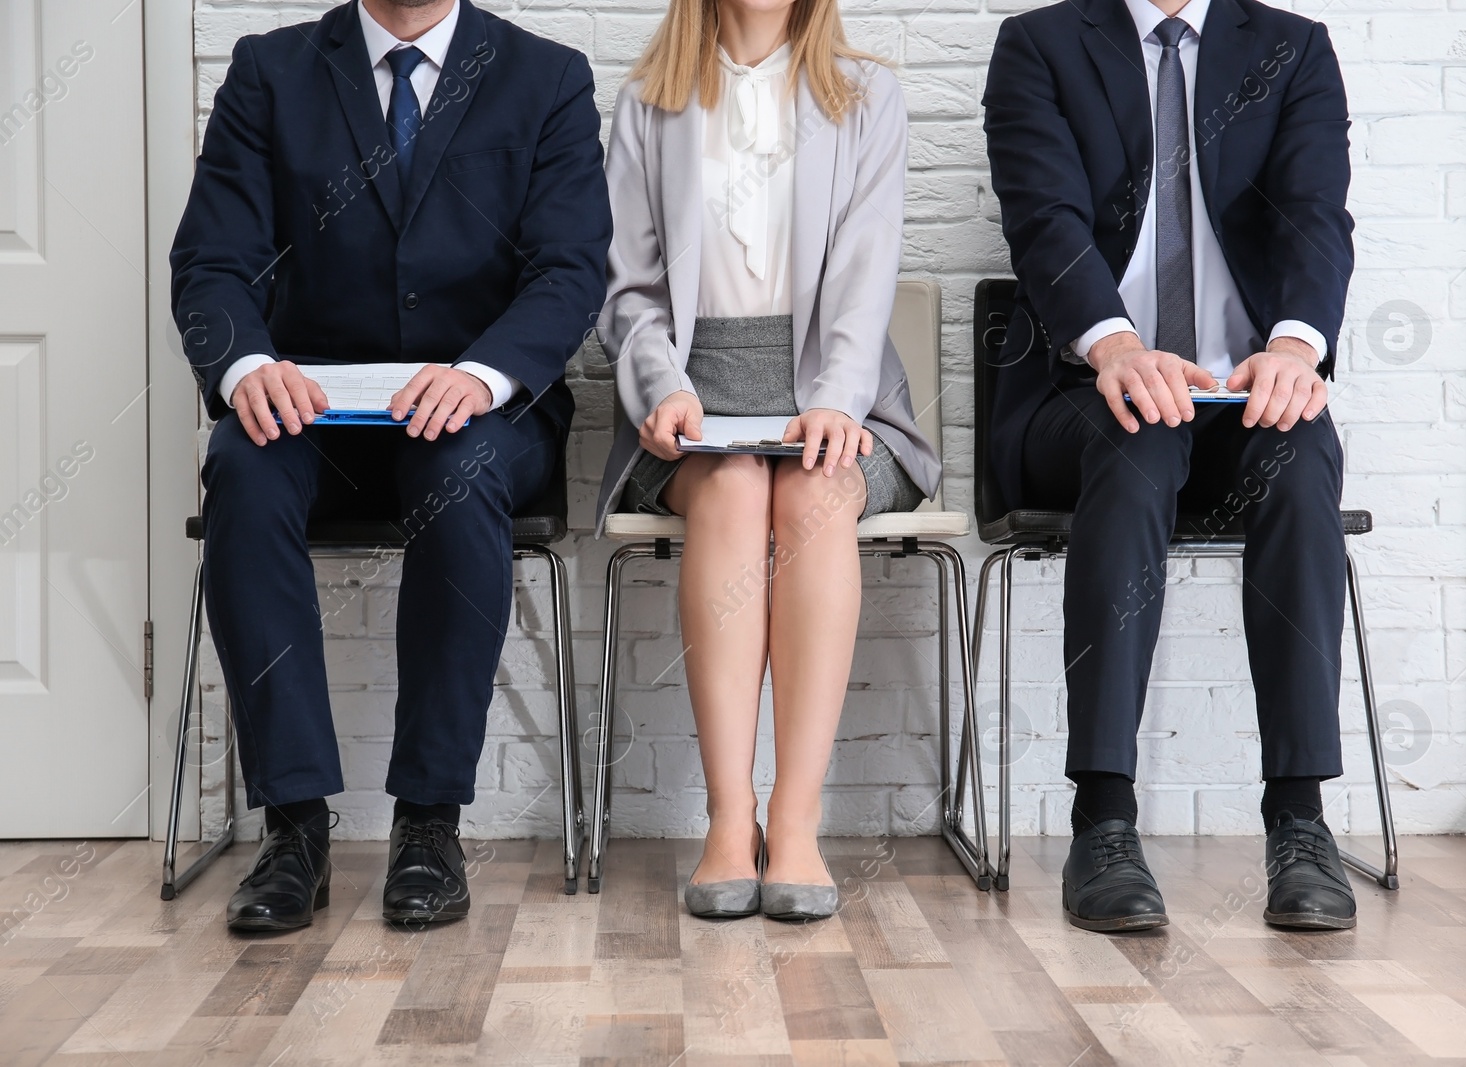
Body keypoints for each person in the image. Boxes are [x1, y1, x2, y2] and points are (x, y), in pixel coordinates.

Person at [170, 0, 609, 931]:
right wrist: (248, 366)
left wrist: (483, 375)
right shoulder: (269, 71)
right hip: (314, 409)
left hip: (480, 412)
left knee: (459, 470)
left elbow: (570, 269)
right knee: (240, 471)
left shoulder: (548, 76)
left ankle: (428, 822)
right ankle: (293, 828)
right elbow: (213, 260)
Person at [983, 0, 1359, 932]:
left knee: (1303, 453)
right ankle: (1102, 819)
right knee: (1140, 436)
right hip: (1084, 392)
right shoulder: (1039, 43)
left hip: (1244, 387)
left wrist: (1296, 347)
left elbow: (1316, 213)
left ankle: (1300, 819)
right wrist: (1115, 344)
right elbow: (1044, 217)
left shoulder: (1292, 47)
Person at [596, 0, 939, 921]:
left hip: (842, 390)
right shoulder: (647, 103)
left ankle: (793, 822)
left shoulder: (868, 96)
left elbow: (867, 273)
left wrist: (835, 396)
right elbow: (628, 291)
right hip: (690, 403)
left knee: (815, 496)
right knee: (736, 485)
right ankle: (726, 819)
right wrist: (662, 387)